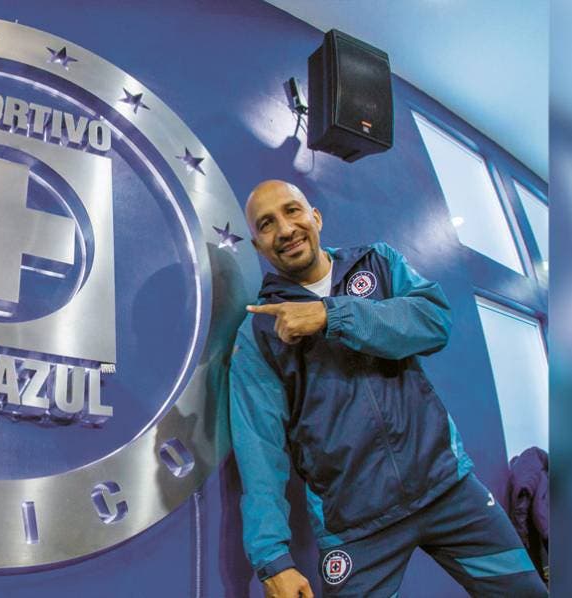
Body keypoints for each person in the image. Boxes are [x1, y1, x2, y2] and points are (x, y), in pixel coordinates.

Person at [228, 180, 547, 597]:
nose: (285, 229)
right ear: (257, 245)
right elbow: (259, 450)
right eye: (267, 224)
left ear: (315, 217)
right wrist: (272, 558)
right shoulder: (259, 333)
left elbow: (433, 322)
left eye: (292, 211)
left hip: (447, 489)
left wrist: (332, 315)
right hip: (354, 526)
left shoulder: (377, 263)